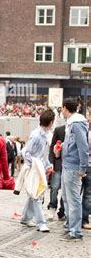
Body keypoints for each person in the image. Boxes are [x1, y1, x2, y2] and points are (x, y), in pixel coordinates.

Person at [16, 109, 55, 233]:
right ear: (50, 122)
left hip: (39, 168)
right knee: (37, 195)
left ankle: (26, 218)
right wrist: (34, 165)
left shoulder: (44, 134)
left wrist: (48, 165)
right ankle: (41, 223)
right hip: (34, 169)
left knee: (34, 195)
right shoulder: (37, 135)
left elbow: (42, 155)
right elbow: (25, 152)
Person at [60, 98, 89, 242]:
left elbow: (83, 147)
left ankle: (76, 230)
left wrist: (82, 167)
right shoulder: (71, 123)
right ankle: (70, 226)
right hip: (67, 164)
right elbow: (72, 144)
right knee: (66, 197)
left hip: (73, 166)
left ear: (65, 108)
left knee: (74, 199)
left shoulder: (77, 124)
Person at [46, 125, 66, 221]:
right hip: (58, 163)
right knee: (54, 187)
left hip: (69, 165)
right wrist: (51, 162)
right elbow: (52, 147)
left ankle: (62, 211)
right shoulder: (59, 129)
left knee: (65, 190)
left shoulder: (76, 129)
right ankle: (52, 206)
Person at [81, 110, 91, 230]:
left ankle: (74, 220)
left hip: (81, 164)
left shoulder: (83, 130)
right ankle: (83, 220)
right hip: (86, 165)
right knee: (87, 195)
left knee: (77, 195)